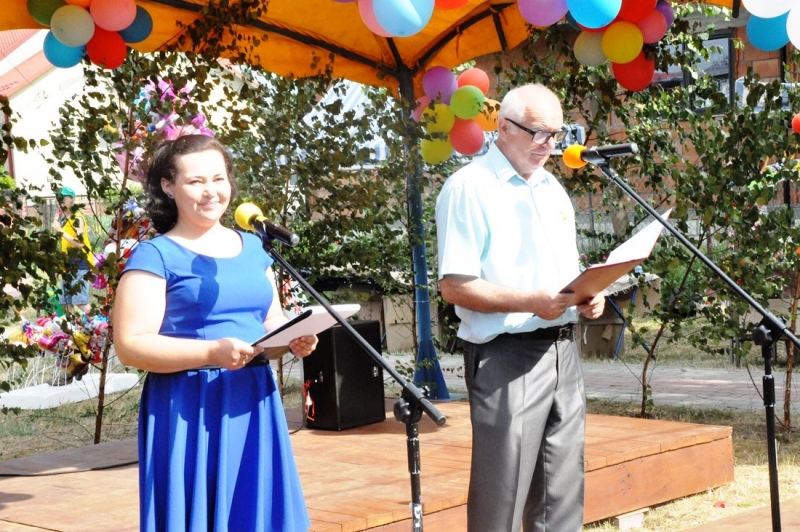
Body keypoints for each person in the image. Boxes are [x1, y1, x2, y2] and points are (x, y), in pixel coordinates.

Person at [112, 134, 317, 531]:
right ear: (168, 186)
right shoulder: (155, 256)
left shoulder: (255, 249)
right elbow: (131, 345)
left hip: (252, 399)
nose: (211, 191)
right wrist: (211, 353)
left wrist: (292, 338)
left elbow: (269, 322)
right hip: (190, 405)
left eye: (218, 179)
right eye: (196, 181)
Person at [435, 84, 605, 532]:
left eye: (557, 133)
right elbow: (454, 286)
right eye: (539, 132)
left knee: (561, 492)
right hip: (506, 357)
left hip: (563, 349)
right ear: (503, 127)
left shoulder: (552, 188)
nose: (549, 144)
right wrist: (531, 302)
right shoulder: (469, 188)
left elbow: (563, 273)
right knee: (502, 496)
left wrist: (588, 296)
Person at [52, 186, 94, 314]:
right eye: (59, 199)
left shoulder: (77, 218)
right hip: (67, 265)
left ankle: (99, 323)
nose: (60, 202)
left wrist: (60, 231)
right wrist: (60, 267)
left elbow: (79, 243)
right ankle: (74, 326)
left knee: (80, 302)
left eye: (63, 199)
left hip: (80, 263)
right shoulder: (64, 219)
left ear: (72, 200)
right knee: (66, 302)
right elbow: (64, 245)